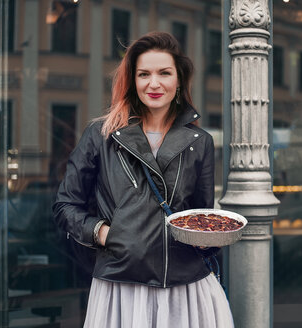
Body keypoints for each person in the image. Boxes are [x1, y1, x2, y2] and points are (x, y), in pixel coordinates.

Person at [53, 31, 234, 327]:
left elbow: (200, 215)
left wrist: (209, 240)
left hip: (185, 285)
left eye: (164, 73)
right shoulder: (101, 136)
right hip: (121, 284)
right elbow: (65, 206)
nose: (154, 83)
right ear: (132, 81)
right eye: (143, 74)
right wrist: (105, 234)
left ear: (178, 80)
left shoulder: (199, 141)